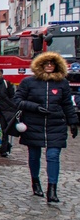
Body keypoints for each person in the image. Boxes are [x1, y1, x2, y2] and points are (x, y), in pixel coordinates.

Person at [13, 52, 79, 203]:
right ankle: (35, 182)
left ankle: (52, 189)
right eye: (46, 63)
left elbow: (67, 104)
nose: (49, 66)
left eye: (52, 63)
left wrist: (72, 121)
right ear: (40, 65)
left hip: (55, 124)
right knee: (34, 156)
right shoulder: (28, 82)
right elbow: (17, 100)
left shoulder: (62, 83)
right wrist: (35, 107)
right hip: (33, 124)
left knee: (53, 156)